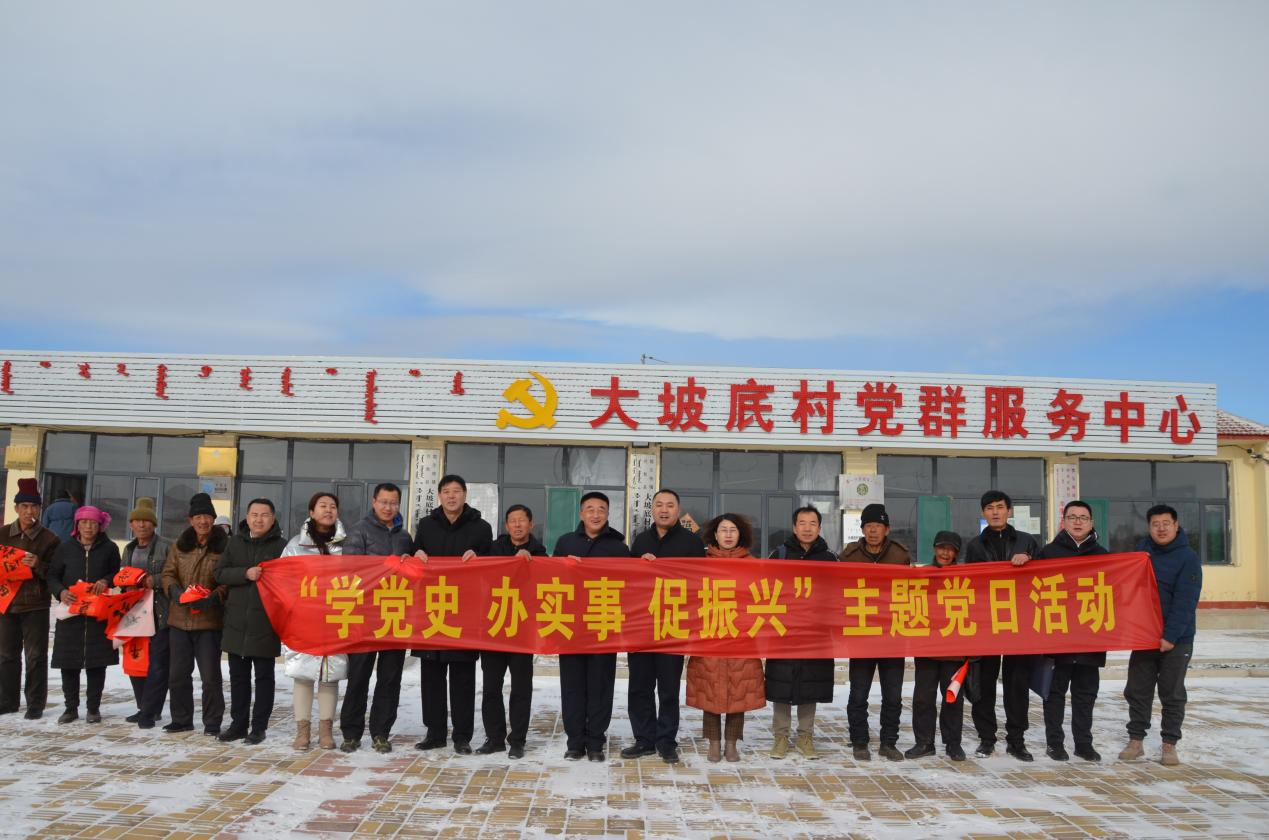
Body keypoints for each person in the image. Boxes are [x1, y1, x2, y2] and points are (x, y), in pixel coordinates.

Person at [410, 474, 492, 755]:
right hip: (431, 609)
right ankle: (434, 733)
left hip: (464, 611)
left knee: (462, 677)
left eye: (457, 491)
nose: (451, 496)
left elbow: (493, 564)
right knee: (431, 676)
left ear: (465, 495)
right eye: (446, 491)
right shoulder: (426, 525)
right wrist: (416, 554)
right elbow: (415, 553)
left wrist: (480, 558)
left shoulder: (481, 528)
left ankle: (462, 736)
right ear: (439, 495)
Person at [624, 488, 705, 765]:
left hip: (673, 626)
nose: (664, 509)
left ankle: (666, 741)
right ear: (653, 509)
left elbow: (699, 583)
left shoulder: (692, 543)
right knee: (639, 686)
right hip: (642, 625)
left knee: (668, 688)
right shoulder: (640, 540)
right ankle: (643, 739)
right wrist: (640, 565)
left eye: (670, 505)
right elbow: (628, 582)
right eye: (659, 504)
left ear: (678, 510)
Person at [1120, 504, 1202, 766]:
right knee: (1137, 690)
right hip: (1145, 636)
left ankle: (1169, 744)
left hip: (1177, 640)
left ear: (1176, 525)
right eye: (1156, 524)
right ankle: (1136, 741)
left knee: (1172, 693)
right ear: (1149, 527)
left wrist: (1170, 636)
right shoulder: (1141, 554)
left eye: (1166, 523)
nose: (1161, 528)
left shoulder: (1187, 557)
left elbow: (1185, 601)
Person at [964, 490, 1041, 761]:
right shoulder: (975, 546)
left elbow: (1045, 576)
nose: (995, 512)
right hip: (986, 623)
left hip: (1019, 623)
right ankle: (986, 738)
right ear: (983, 513)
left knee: (1016, 684)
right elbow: (969, 583)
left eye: (1000, 507)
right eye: (989, 508)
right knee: (983, 684)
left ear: (1009, 511)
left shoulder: (1027, 541)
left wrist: (1030, 560)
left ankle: (1016, 740)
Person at [553, 491, 630, 762]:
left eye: (601, 509)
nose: (595, 514)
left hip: (604, 625)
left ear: (608, 514)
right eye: (590, 509)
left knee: (600, 686)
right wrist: (564, 566)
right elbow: (549, 580)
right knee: (572, 686)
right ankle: (575, 742)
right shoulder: (565, 542)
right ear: (581, 513)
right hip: (571, 626)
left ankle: (596, 741)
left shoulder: (619, 548)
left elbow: (632, 584)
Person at [339, 482, 413, 754]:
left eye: (393, 503)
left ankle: (381, 732)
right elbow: (351, 570)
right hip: (365, 615)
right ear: (374, 502)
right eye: (384, 502)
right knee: (358, 676)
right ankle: (351, 733)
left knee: (390, 678)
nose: (388, 507)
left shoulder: (404, 536)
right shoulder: (359, 531)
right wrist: (384, 568)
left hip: (395, 614)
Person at [686, 514, 765, 763]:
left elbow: (762, 597)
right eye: (723, 530)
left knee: (738, 691)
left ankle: (731, 743)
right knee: (710, 691)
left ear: (741, 534)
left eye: (733, 530)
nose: (728, 534)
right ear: (715, 535)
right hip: (709, 636)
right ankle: (714, 742)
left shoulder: (754, 565)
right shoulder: (701, 564)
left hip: (742, 637)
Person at [1035, 500, 1109, 762]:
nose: (1078, 522)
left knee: (1085, 694)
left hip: (1090, 637)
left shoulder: (1103, 556)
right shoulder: (1048, 553)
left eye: (1083, 518)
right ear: (1063, 522)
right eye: (1072, 517)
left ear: (1091, 523)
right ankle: (1055, 743)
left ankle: (1083, 743)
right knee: (1054, 693)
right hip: (1058, 638)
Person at [839, 503, 911, 762]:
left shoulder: (900, 555)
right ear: (862, 529)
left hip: (892, 636)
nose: (872, 531)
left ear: (886, 529)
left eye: (877, 526)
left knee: (893, 694)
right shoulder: (849, 555)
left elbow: (910, 590)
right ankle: (859, 741)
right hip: (862, 635)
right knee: (859, 693)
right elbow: (839, 590)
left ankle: (889, 743)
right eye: (868, 526)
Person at [766, 505, 837, 760]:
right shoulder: (779, 555)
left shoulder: (830, 559)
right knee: (781, 684)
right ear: (794, 528)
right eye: (802, 523)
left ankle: (806, 737)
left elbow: (839, 594)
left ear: (819, 528)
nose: (807, 528)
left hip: (815, 633)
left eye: (812, 523)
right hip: (784, 632)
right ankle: (781, 737)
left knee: (810, 684)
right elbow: (766, 588)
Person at [214, 498, 287, 744]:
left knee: (264, 679)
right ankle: (238, 725)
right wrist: (245, 573)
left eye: (264, 515)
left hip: (265, 623)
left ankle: (259, 727)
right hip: (236, 624)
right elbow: (219, 573)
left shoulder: (282, 547)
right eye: (254, 514)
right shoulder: (235, 543)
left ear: (273, 519)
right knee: (238, 679)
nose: (259, 519)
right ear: (247, 517)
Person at [477, 503, 547, 759]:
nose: (517, 525)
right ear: (506, 526)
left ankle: (517, 739)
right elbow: (480, 575)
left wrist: (530, 562)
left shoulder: (541, 553)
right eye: (512, 521)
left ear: (531, 524)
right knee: (491, 687)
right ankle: (494, 738)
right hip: (494, 628)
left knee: (521, 688)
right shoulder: (493, 549)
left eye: (522, 520)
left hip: (522, 630)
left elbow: (546, 584)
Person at [280, 492, 348, 750]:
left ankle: (326, 731)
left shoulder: (346, 546)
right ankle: (302, 731)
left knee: (330, 675)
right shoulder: (295, 546)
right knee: (303, 674)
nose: (328, 510)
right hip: (305, 619)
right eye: (322, 506)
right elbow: (283, 580)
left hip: (336, 616)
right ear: (311, 512)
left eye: (333, 506)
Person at [160, 492, 229, 735]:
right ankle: (181, 719)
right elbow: (168, 573)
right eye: (198, 517)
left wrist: (214, 597)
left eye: (207, 516)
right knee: (177, 675)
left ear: (213, 519)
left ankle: (212, 721)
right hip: (179, 620)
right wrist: (175, 591)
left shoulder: (224, 546)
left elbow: (227, 580)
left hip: (209, 622)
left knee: (210, 677)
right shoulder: (180, 545)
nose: (203, 521)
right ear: (190, 520)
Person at [46, 506, 121, 724]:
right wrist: (61, 591)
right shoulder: (65, 548)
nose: (88, 527)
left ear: (100, 525)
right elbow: (52, 575)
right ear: (77, 525)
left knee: (97, 664)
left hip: (98, 614)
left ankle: (93, 708)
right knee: (68, 663)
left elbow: (116, 572)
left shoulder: (109, 548)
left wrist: (106, 580)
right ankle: (70, 708)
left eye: (93, 523)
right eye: (84, 522)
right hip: (71, 614)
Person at [906, 531, 968, 762]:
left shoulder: (965, 577)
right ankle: (924, 742)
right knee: (923, 698)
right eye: (942, 547)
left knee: (952, 697)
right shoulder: (922, 575)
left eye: (950, 549)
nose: (945, 553)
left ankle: (953, 744)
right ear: (934, 549)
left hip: (955, 650)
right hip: (927, 648)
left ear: (956, 553)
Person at [0, 478, 59, 719]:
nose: (29, 511)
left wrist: (38, 565)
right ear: (16, 508)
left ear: (39, 509)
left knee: (35, 656)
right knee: (6, 655)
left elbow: (56, 573)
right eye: (24, 506)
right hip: (6, 604)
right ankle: (7, 701)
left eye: (34, 506)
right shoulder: (3, 534)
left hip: (36, 604)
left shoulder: (49, 539)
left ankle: (35, 704)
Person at [120, 497, 172, 727]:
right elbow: (121, 576)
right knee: (136, 662)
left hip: (160, 613)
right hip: (134, 614)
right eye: (137, 521)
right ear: (131, 524)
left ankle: (151, 711)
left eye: (146, 521)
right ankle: (143, 707)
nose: (142, 525)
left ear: (154, 524)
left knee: (158, 664)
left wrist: (154, 580)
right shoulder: (129, 549)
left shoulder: (166, 546)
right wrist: (125, 585)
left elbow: (174, 574)